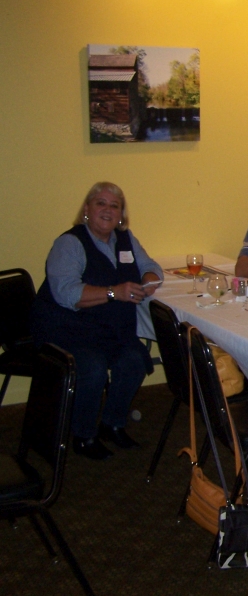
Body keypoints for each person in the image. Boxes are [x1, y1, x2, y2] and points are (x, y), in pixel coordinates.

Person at [30, 182, 163, 461]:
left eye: (115, 206)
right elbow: (67, 294)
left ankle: (112, 424)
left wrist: (149, 281)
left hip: (107, 329)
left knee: (135, 361)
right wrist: (115, 292)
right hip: (67, 329)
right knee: (93, 368)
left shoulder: (125, 239)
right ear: (87, 209)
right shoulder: (69, 243)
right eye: (100, 203)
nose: (107, 210)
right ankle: (84, 435)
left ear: (121, 214)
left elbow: (150, 266)